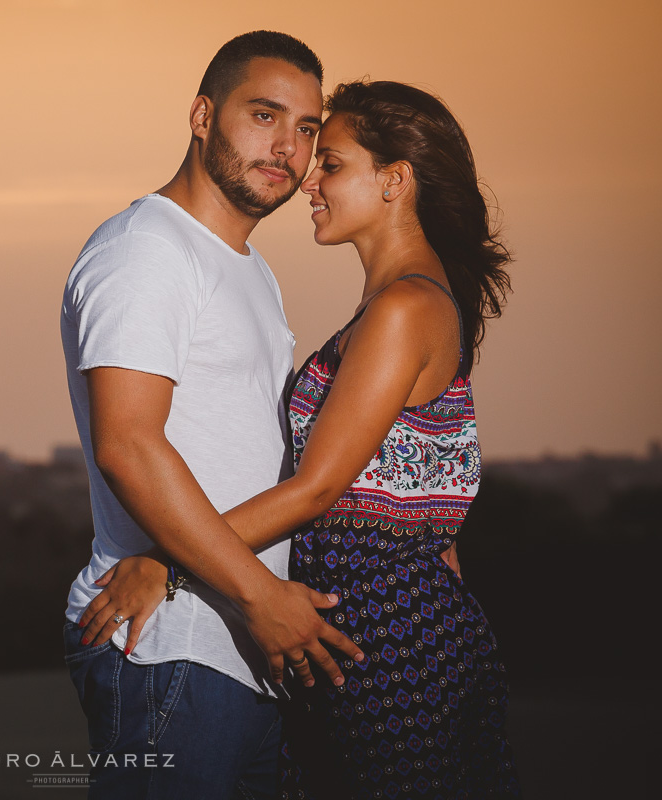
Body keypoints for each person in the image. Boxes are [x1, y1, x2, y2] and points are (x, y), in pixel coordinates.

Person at [81, 80, 521, 798]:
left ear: (394, 181)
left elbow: (319, 488)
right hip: (385, 634)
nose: (308, 177)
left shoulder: (405, 308)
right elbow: (426, 511)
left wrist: (170, 564)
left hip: (380, 644)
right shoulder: (409, 301)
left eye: (333, 163)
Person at [60, 31, 363, 798]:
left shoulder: (249, 268)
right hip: (170, 648)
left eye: (305, 129)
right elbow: (128, 443)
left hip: (241, 654)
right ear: (202, 116)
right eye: (264, 115)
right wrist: (263, 600)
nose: (287, 148)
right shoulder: (146, 251)